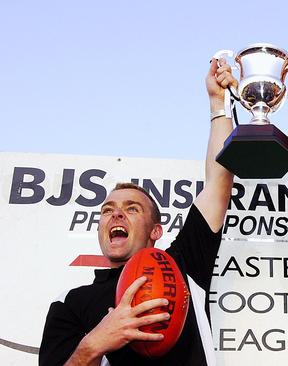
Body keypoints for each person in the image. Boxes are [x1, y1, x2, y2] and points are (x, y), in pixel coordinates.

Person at [39, 57, 238, 365]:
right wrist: (95, 343)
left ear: (155, 230)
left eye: (132, 208)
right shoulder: (72, 305)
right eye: (107, 210)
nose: (116, 215)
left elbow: (218, 184)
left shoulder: (183, 265)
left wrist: (219, 104)